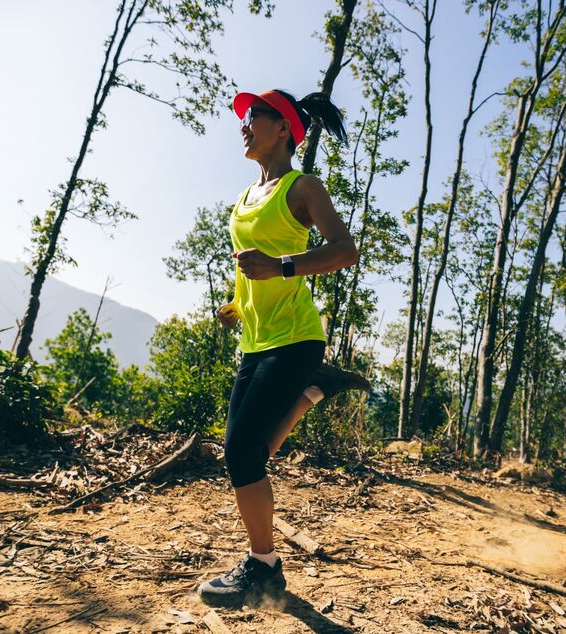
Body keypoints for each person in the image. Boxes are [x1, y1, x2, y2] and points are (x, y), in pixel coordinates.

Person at [197, 89, 361, 609]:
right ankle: (315, 391)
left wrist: (282, 265)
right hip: (257, 337)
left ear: (285, 128)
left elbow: (344, 251)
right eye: (244, 119)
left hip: (294, 336)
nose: (244, 126)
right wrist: (238, 303)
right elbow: (252, 270)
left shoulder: (302, 186)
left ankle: (264, 570)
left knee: (241, 452)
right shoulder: (244, 199)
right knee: (246, 451)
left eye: (254, 118)